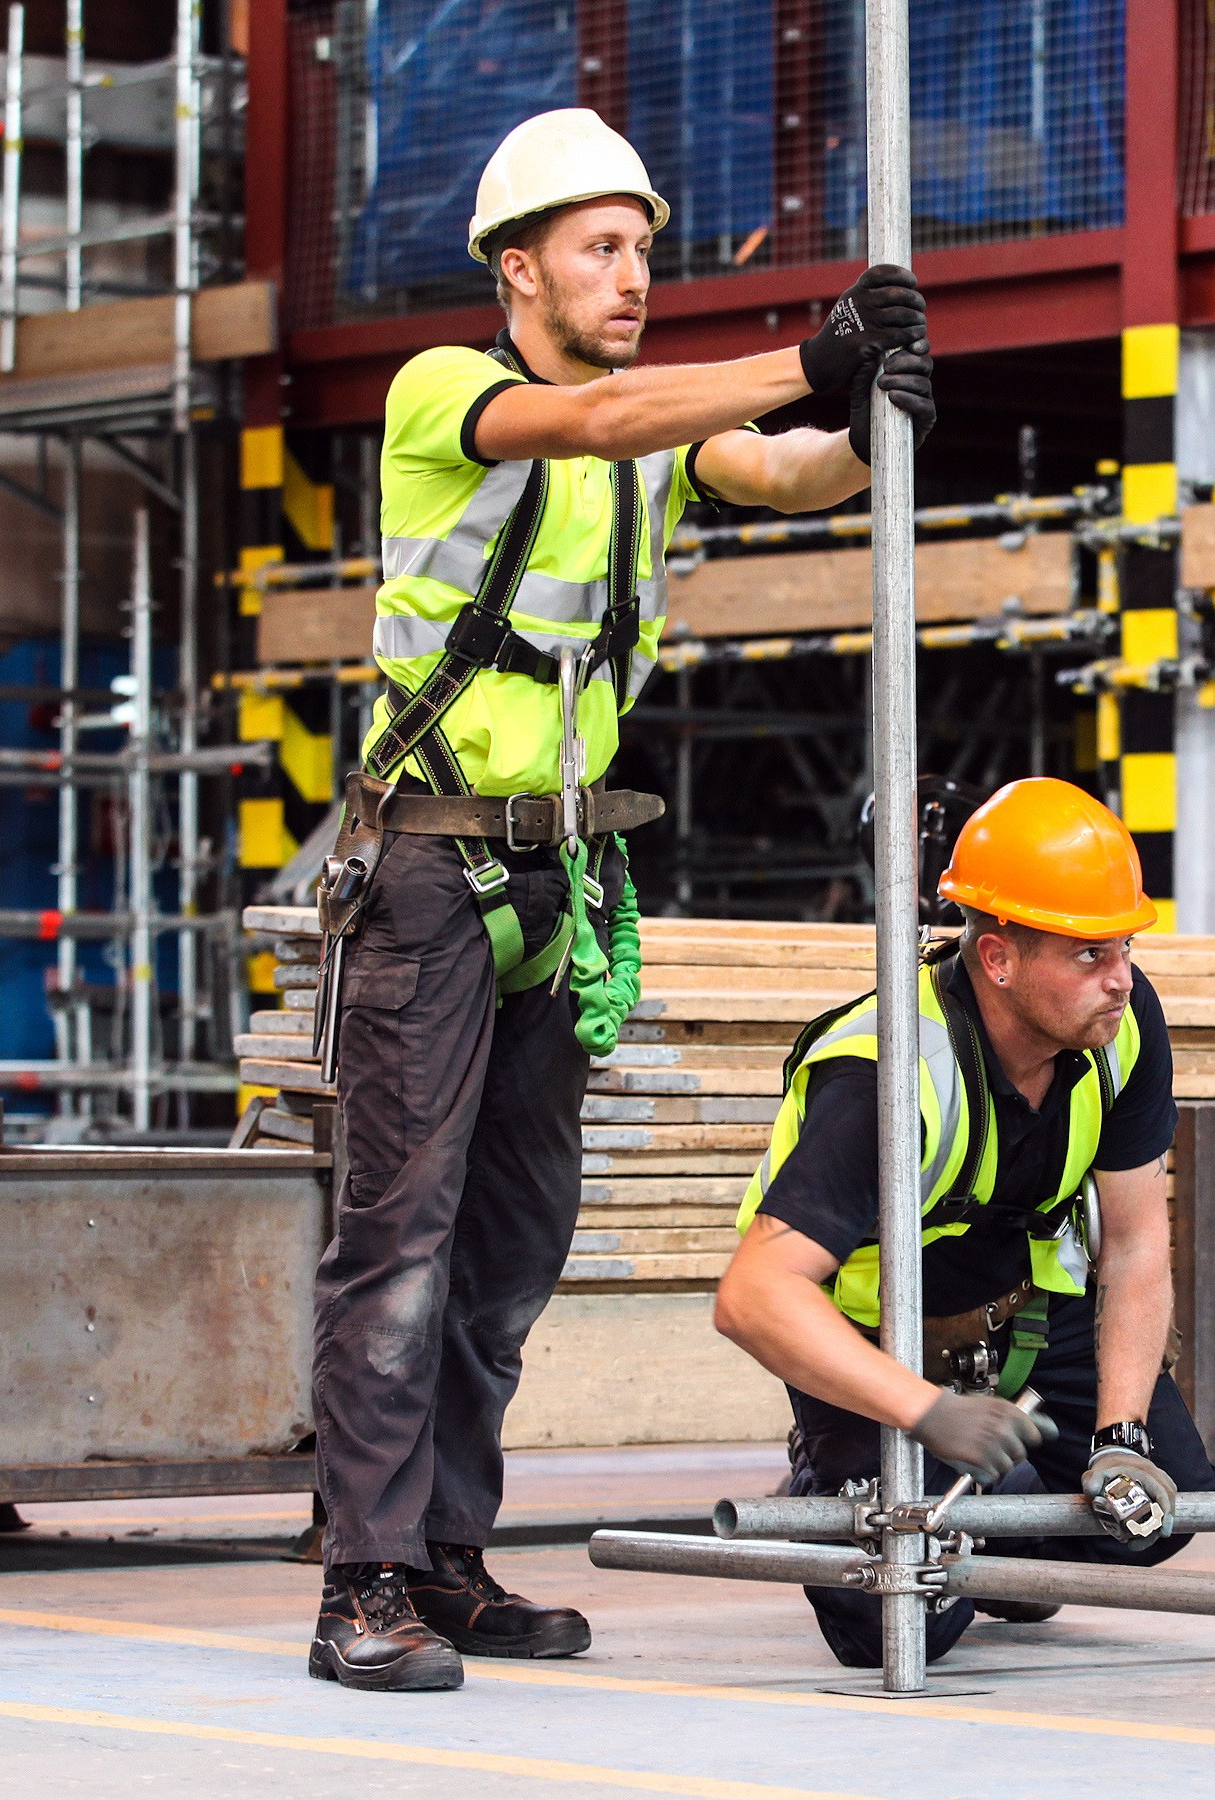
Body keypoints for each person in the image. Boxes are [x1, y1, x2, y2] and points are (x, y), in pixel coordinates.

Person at [309, 107, 937, 1692]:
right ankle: (361, 1585)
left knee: (512, 1246)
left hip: (563, 873)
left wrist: (871, 415)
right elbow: (605, 425)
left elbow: (782, 471)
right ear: (518, 270)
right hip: (432, 870)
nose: (635, 271)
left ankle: (446, 1559)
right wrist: (811, 353)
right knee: (398, 1239)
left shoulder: (658, 424)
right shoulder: (448, 396)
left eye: (644, 245)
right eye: (602, 245)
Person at [713, 778, 1215, 1668]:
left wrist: (1121, 1435)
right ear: (998, 959)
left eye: (1128, 947)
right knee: (897, 1625)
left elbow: (1137, 1242)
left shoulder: (1122, 1025)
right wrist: (927, 1412)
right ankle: (836, 1473)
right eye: (1090, 954)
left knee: (1160, 1510)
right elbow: (753, 1297)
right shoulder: (886, 1074)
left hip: (1022, 1315)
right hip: (880, 1345)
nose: (1121, 979)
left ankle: (993, 1527)